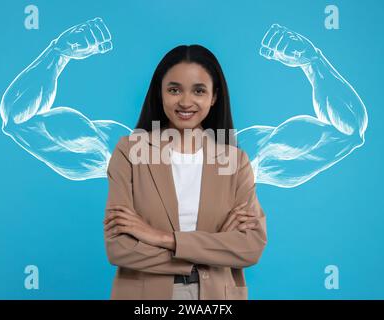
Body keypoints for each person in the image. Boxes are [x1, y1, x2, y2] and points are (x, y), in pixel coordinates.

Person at [103, 44, 267, 300]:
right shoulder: (130, 152)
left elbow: (250, 248)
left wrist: (162, 238)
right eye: (174, 89)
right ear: (160, 93)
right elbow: (119, 248)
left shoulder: (235, 161)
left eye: (199, 91)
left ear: (214, 97)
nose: (185, 101)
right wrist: (213, 249)